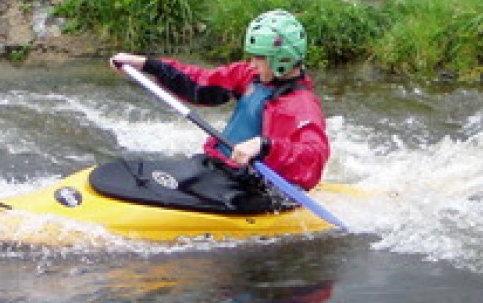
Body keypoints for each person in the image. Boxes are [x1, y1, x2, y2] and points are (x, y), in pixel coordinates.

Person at [109, 10, 330, 201]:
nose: (252, 64)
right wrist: (147, 65)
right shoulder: (250, 76)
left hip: (254, 188)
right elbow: (200, 84)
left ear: (282, 59)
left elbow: (314, 157)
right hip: (219, 167)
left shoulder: (302, 106)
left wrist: (265, 146)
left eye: (259, 58)